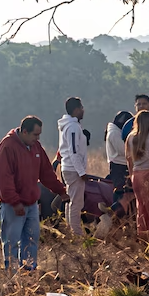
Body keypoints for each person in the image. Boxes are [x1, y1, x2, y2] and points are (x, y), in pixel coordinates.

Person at [0, 117, 68, 270]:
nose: (38, 138)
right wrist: (15, 202)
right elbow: (4, 179)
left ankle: (29, 274)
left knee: (31, 241)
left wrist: (60, 191)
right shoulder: (8, 147)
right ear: (24, 132)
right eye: (35, 135)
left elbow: (46, 173)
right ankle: (12, 278)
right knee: (11, 243)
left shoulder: (35, 146)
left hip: (31, 205)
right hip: (12, 206)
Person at [58, 97, 88, 237]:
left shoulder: (70, 125)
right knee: (76, 204)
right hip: (73, 169)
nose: (83, 110)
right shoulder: (73, 127)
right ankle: (77, 235)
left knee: (70, 201)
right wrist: (81, 171)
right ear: (76, 110)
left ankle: (71, 232)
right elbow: (73, 151)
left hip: (68, 167)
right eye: (81, 108)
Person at [105, 111, 132, 191]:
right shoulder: (114, 133)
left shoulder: (117, 132)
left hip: (124, 165)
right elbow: (123, 150)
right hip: (119, 167)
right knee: (121, 191)